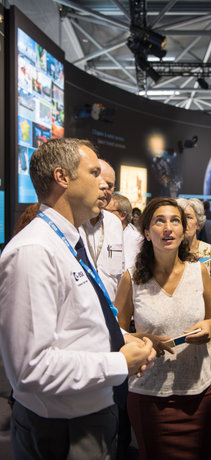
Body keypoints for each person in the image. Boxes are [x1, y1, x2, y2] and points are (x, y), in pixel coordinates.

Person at [0, 138, 155, 459]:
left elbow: (80, 322)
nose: (105, 184)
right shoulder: (34, 251)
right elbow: (30, 369)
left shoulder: (71, 239)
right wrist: (120, 362)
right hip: (62, 429)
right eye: (94, 172)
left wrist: (126, 340)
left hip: (88, 416)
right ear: (63, 177)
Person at [114, 197, 211, 460]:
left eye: (175, 221)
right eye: (159, 221)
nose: (168, 228)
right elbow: (115, 334)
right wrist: (143, 338)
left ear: (184, 230)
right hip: (150, 397)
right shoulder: (132, 279)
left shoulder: (199, 272)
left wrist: (209, 327)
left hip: (199, 394)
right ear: (147, 233)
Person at [80, 159, 125, 302]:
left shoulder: (114, 223)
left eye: (110, 186)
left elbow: (119, 274)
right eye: (99, 182)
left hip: (110, 312)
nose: (105, 188)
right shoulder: (72, 222)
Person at [177, 197, 211, 312]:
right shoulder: (168, 253)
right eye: (178, 218)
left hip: (205, 322)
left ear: (198, 224)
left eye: (188, 217)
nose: (184, 222)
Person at [106, 193, 143, 270]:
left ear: (123, 215)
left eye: (107, 211)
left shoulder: (137, 240)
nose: (103, 215)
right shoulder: (101, 233)